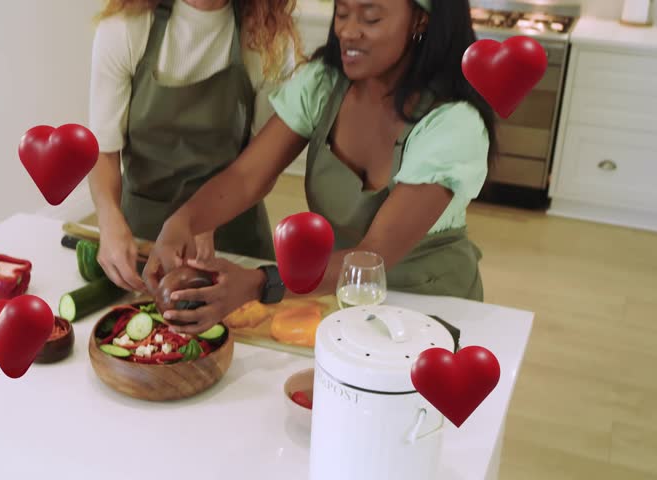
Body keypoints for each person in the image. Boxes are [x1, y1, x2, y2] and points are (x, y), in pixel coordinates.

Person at [144, 0, 498, 333]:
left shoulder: (454, 124)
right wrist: (184, 221)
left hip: (431, 309)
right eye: (342, 13)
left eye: (370, 17)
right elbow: (247, 176)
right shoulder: (323, 83)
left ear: (421, 19)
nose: (347, 31)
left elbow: (375, 255)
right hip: (342, 295)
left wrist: (258, 283)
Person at [86, 0, 303, 293]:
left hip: (232, 234)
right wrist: (108, 217)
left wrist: (205, 219)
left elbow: (264, 164)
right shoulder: (126, 27)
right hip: (144, 241)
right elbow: (103, 149)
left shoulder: (267, 38)